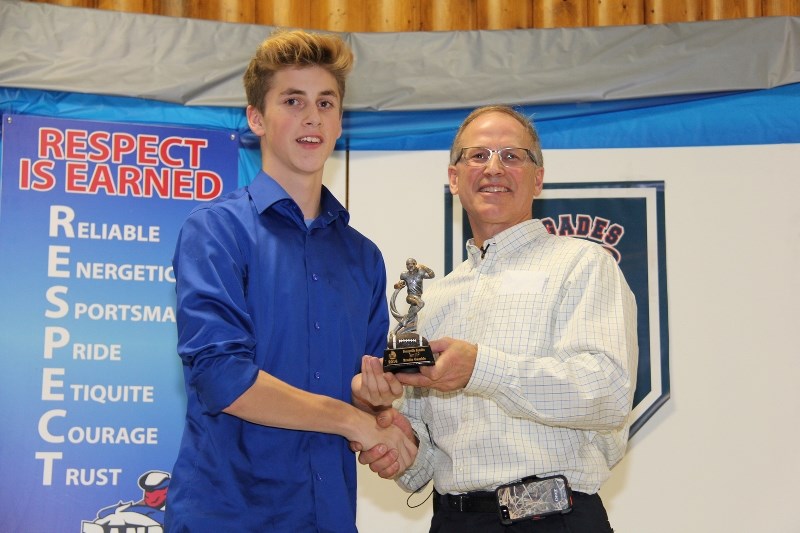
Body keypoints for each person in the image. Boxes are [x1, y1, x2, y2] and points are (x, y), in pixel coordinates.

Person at [166, 29, 416, 532]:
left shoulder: (364, 257)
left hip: (328, 516)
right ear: (257, 118)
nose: (311, 117)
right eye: (292, 101)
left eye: (326, 102)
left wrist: (380, 409)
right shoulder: (214, 230)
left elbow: (358, 389)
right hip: (227, 516)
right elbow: (223, 379)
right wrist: (355, 423)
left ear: (340, 120)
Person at [354, 105, 638, 532]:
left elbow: (607, 391)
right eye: (478, 155)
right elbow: (424, 461)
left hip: (551, 519)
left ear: (538, 178)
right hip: (454, 521)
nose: (494, 168)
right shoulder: (434, 300)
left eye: (512, 155)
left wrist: (479, 368)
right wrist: (388, 428)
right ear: (454, 178)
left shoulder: (582, 264)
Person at [391, 258, 435, 334]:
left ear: (416, 264)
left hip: (418, 297)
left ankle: (395, 330)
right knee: (421, 304)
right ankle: (406, 320)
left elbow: (432, 275)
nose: (410, 266)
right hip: (410, 297)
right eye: (408, 264)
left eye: (412, 264)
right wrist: (397, 285)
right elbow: (399, 284)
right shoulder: (404, 275)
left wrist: (424, 267)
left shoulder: (420, 273)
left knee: (413, 316)